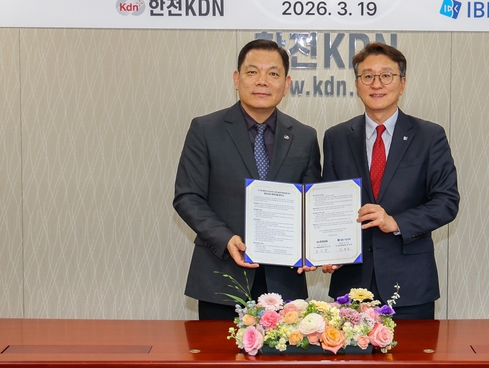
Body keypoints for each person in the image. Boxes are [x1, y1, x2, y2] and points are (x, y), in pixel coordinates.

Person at [173, 39, 321, 320]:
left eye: (273, 73)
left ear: (286, 84)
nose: (262, 81)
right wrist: (226, 238)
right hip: (222, 276)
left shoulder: (304, 136)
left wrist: (311, 247)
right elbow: (187, 197)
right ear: (236, 79)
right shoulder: (205, 129)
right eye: (252, 72)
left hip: (284, 282)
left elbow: (310, 205)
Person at [321, 42, 459, 320]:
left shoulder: (429, 136)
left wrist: (395, 222)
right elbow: (328, 203)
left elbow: (446, 202)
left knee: (412, 350)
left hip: (410, 285)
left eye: (386, 75)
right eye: (367, 76)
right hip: (352, 282)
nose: (376, 84)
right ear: (357, 84)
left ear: (402, 83)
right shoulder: (336, 137)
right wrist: (328, 249)